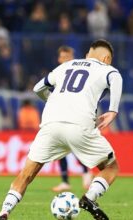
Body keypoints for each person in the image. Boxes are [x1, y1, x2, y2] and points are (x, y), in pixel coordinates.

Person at [0, 39, 123, 220]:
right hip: (79, 125)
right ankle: (89, 199)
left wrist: (54, 100)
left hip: (50, 124)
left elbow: (38, 88)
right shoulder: (108, 69)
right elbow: (116, 79)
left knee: (26, 174)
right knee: (110, 167)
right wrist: (113, 110)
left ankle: (4, 212)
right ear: (106, 58)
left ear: (87, 55)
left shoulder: (66, 66)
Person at [51, 45, 93, 192]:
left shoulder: (80, 75)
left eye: (67, 57)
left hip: (76, 117)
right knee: (59, 148)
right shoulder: (56, 75)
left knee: (76, 147)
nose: (65, 60)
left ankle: (87, 173)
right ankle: (65, 181)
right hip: (59, 116)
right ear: (58, 59)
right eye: (63, 57)